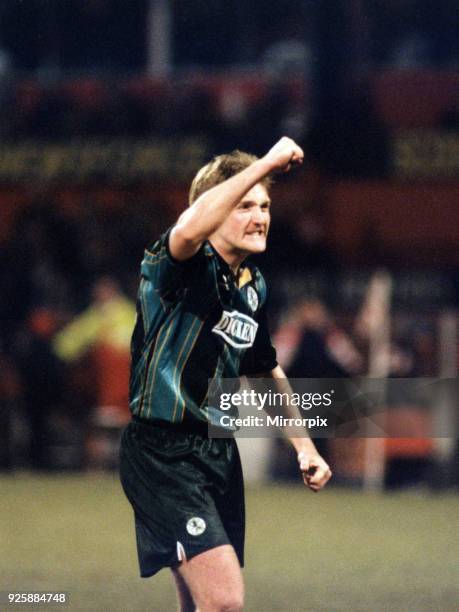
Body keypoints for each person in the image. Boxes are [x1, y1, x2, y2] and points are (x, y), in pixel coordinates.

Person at [119, 136, 332, 612]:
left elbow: (263, 369)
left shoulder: (251, 285)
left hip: (216, 454)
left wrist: (304, 445)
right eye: (245, 205)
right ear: (215, 210)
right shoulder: (179, 264)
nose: (260, 217)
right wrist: (270, 161)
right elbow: (191, 226)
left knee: (200, 605)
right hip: (162, 453)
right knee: (225, 601)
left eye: (265, 205)